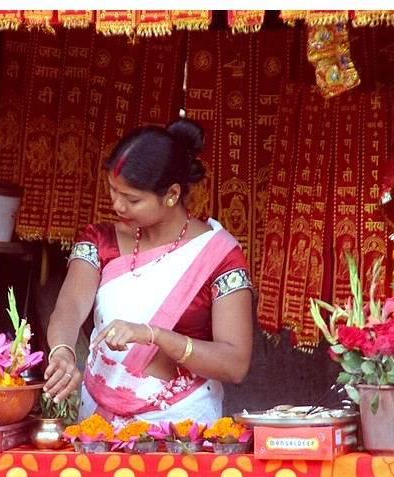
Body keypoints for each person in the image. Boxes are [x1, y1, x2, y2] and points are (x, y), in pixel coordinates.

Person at [43, 118, 253, 427]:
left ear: (171, 194)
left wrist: (155, 336)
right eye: (113, 191)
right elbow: (71, 304)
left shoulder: (219, 255)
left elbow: (235, 364)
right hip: (97, 426)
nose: (117, 205)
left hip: (182, 430)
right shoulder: (101, 240)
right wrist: (62, 351)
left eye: (132, 199)